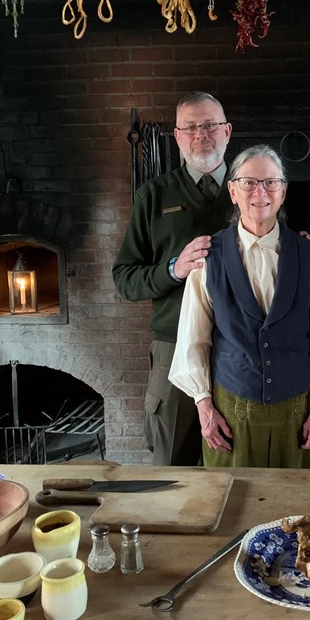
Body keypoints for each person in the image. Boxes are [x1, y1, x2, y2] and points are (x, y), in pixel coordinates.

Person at [168, 144, 310, 468]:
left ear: (283, 192)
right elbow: (194, 337)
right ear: (233, 191)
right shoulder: (208, 257)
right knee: (232, 505)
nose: (260, 191)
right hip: (231, 409)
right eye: (249, 182)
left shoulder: (308, 254)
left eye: (270, 182)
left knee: (295, 508)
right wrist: (204, 406)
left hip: (296, 412)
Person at [112, 92, 234, 465]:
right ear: (178, 137)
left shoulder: (256, 190)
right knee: (172, 466)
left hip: (242, 349)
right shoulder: (153, 196)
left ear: (227, 131)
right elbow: (124, 279)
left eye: (210, 125)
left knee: (240, 464)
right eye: (191, 127)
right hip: (175, 348)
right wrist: (173, 269)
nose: (202, 135)